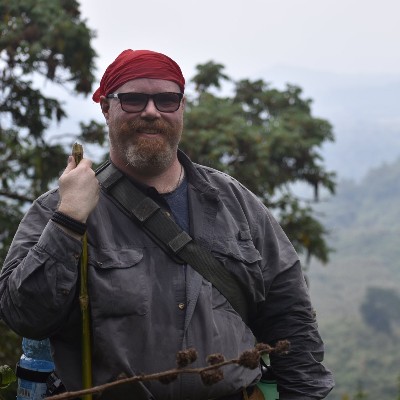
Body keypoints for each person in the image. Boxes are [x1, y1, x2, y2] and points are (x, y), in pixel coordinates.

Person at [0, 49, 334, 400]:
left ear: (181, 108)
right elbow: (24, 315)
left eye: (166, 99)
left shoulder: (234, 202)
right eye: (133, 100)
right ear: (106, 108)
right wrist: (68, 220)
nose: (151, 111)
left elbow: (291, 317)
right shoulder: (60, 208)